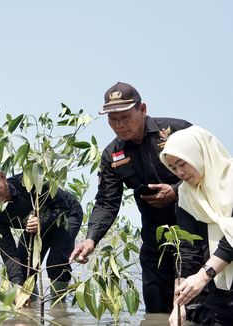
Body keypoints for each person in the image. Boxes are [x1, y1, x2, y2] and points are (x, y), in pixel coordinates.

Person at [69, 82, 192, 313]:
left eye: (125, 116)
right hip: (155, 241)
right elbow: (107, 201)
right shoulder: (112, 154)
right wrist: (91, 238)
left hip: (195, 235)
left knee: (198, 310)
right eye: (113, 119)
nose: (120, 125)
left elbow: (211, 173)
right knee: (156, 312)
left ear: (142, 109)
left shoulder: (177, 131)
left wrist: (176, 191)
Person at [0, 164, 83, 299]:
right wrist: (18, 286)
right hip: (34, 226)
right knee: (23, 267)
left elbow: (61, 206)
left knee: (56, 263)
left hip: (67, 213)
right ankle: (30, 305)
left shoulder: (28, 182)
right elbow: (9, 253)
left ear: (2, 177)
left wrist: (41, 223)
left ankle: (59, 308)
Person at [160, 126, 233, 325]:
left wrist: (203, 276)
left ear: (200, 154)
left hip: (212, 272)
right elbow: (188, 251)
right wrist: (179, 304)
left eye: (183, 163)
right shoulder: (186, 196)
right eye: (173, 168)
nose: (180, 172)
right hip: (221, 285)